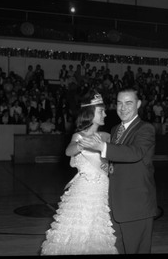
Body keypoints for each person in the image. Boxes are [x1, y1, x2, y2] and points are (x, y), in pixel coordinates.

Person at [78, 87, 157, 254]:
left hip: (136, 207)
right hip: (116, 205)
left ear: (139, 104)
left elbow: (134, 153)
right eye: (119, 103)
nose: (123, 107)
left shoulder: (145, 128)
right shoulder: (115, 130)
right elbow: (114, 161)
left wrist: (102, 147)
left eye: (129, 103)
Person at [40, 92, 117, 255]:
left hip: (102, 191)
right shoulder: (79, 136)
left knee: (96, 231)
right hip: (83, 192)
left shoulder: (106, 136)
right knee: (77, 231)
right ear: (90, 114)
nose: (105, 113)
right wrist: (82, 145)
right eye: (100, 111)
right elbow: (69, 151)